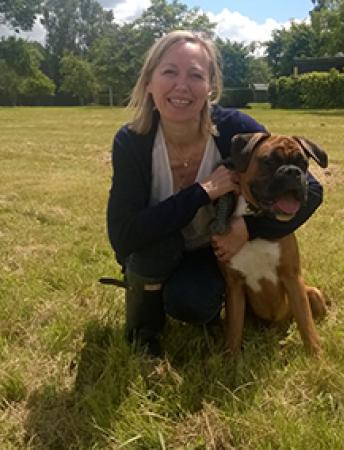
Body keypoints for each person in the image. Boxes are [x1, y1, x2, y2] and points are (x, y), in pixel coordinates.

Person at [106, 30, 324, 356]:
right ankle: (144, 329)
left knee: (193, 302)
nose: (182, 85)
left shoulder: (234, 128)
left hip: (212, 252)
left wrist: (247, 229)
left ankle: (196, 306)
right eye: (169, 72)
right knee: (155, 250)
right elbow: (123, 236)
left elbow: (312, 190)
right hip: (160, 248)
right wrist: (202, 191)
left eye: (195, 75)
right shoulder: (133, 142)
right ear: (149, 81)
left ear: (210, 88)